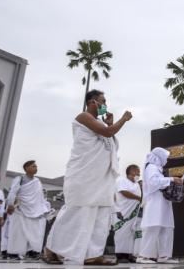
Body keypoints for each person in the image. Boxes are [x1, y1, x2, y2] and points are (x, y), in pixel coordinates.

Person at [44, 89, 132, 265]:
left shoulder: (99, 123)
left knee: (101, 217)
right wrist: (123, 119)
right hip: (84, 176)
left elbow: (110, 140)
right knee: (76, 213)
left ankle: (92, 254)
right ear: (93, 102)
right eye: (103, 101)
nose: (105, 105)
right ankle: (51, 249)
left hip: (101, 178)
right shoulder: (83, 117)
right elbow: (107, 133)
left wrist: (110, 124)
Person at [136, 147, 182, 264]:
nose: (166, 160)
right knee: (152, 228)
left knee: (166, 228)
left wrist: (170, 180)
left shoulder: (158, 169)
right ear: (159, 157)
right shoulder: (151, 167)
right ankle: (143, 256)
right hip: (155, 203)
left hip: (163, 203)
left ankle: (164, 256)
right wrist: (171, 179)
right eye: (165, 157)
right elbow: (153, 182)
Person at [6, 161, 49, 259]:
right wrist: (10, 204)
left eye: (36, 166)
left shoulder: (37, 181)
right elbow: (13, 191)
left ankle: (32, 251)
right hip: (20, 209)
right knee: (18, 232)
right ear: (26, 168)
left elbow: (40, 198)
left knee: (34, 232)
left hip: (35, 211)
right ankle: (13, 252)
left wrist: (43, 210)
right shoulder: (19, 179)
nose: (36, 168)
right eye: (33, 166)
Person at [113, 164, 142, 263]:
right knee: (121, 233)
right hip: (122, 212)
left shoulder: (137, 184)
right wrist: (139, 198)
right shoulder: (121, 180)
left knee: (130, 234)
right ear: (132, 171)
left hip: (133, 214)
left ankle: (129, 254)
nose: (139, 173)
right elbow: (123, 192)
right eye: (138, 171)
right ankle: (120, 255)